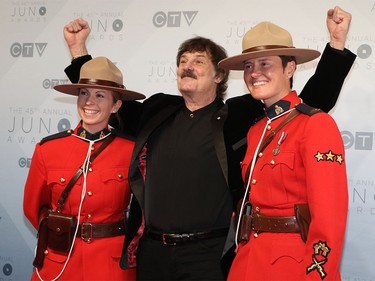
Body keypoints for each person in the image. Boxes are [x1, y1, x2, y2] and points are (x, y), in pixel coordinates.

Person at [62, 6, 355, 280]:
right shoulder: (156, 110)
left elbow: (306, 103)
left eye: (198, 61)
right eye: (183, 61)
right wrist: (79, 53)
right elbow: (102, 99)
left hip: (209, 255)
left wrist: (336, 46)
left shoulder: (239, 116)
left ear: (219, 75)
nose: (188, 66)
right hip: (152, 253)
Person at [218, 19, 349, 280]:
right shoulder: (256, 131)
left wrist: (317, 272)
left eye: (265, 63)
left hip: (293, 266)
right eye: (248, 66)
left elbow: (329, 217)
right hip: (248, 261)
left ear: (290, 68)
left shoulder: (315, 124)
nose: (255, 73)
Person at [23, 57, 145, 281]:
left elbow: (142, 210)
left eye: (100, 95)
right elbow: (33, 208)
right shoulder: (48, 148)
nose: (89, 102)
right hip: (60, 262)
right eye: (84, 93)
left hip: (111, 265)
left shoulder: (131, 150)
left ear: (116, 105)